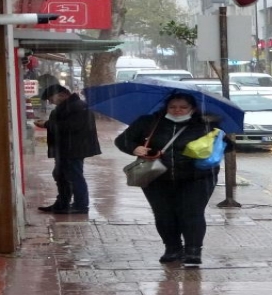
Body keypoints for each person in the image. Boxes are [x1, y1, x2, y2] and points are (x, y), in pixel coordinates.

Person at [114, 93, 230, 265]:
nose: (177, 111)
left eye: (183, 107)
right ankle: (173, 248)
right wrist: (135, 148)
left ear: (193, 109)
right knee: (164, 215)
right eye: (173, 107)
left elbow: (228, 146)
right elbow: (122, 140)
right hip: (156, 176)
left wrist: (212, 146)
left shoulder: (206, 125)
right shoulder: (149, 122)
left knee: (192, 213)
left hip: (197, 178)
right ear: (166, 107)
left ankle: (193, 251)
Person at [34, 84, 101, 214]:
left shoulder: (79, 106)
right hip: (65, 149)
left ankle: (81, 205)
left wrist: (47, 124)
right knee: (60, 175)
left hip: (73, 149)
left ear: (62, 94)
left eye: (50, 98)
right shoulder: (68, 106)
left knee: (74, 176)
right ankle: (62, 203)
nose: (50, 102)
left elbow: (71, 127)